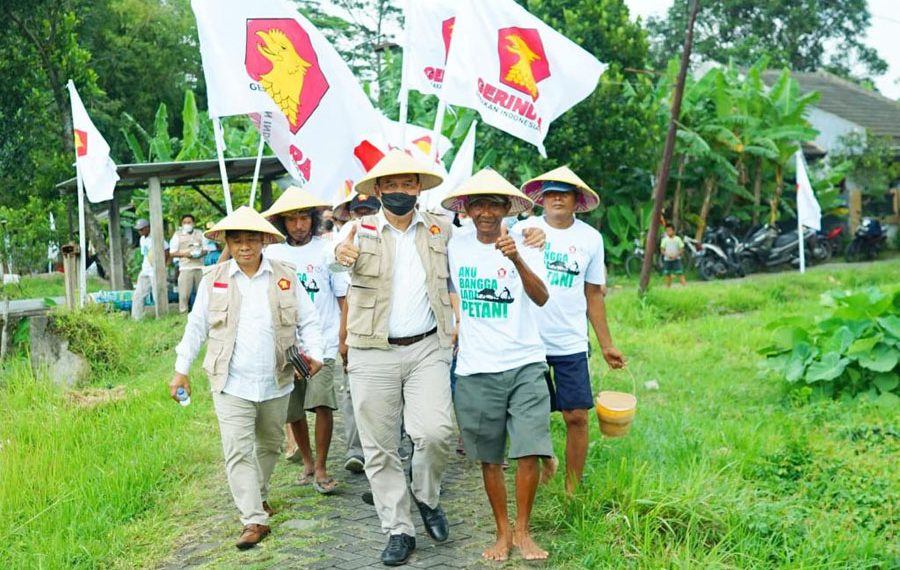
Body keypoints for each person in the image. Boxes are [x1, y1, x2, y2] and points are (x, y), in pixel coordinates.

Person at [170, 206, 324, 550]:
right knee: (237, 450)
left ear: (264, 240)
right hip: (230, 381)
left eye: (251, 239)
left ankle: (260, 495)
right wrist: (181, 370)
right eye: (236, 240)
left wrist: (315, 352)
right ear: (227, 242)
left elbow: (308, 320)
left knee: (268, 445)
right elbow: (196, 327)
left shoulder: (285, 276)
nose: (243, 246)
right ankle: (253, 519)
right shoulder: (214, 279)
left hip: (276, 379)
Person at [331, 150, 454, 566]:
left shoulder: (441, 228)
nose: (401, 191)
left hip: (427, 348)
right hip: (371, 352)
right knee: (379, 447)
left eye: (408, 184)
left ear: (418, 188)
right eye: (392, 184)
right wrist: (342, 255)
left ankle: (426, 497)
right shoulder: (357, 229)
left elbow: (484, 240)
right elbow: (336, 255)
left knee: (436, 432)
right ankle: (398, 530)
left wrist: (534, 236)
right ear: (378, 189)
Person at [442, 169, 552, 562]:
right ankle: (502, 533)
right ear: (467, 210)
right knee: (490, 457)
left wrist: (517, 257)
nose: (486, 212)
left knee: (529, 450)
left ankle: (524, 531)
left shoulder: (527, 239)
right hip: (475, 367)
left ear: (508, 208)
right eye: (478, 204)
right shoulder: (455, 245)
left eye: (494, 204)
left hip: (525, 361)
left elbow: (541, 297)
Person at [519, 166, 627, 495]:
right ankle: (546, 459)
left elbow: (593, 294)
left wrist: (606, 344)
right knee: (532, 416)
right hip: (528, 340)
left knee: (576, 415)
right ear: (541, 198)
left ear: (576, 200)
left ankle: (572, 488)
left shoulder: (590, 239)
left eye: (564, 193)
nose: (557, 199)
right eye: (551, 193)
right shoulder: (522, 230)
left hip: (570, 340)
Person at [263, 187, 349, 495]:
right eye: (291, 220)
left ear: (312, 219)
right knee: (294, 409)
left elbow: (342, 295)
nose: (299, 225)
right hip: (289, 345)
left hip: (322, 343)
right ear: (281, 223)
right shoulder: (272, 254)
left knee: (323, 403)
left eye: (304, 218)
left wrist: (343, 338)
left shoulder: (327, 250)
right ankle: (308, 462)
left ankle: (323, 467)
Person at [332, 190, 382, 472]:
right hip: (354, 327)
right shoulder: (342, 242)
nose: (364, 217)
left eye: (370, 212)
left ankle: (387, 450)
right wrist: (343, 338)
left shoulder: (390, 240)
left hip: (387, 330)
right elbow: (345, 294)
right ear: (351, 215)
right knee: (354, 394)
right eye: (359, 213)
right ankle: (356, 450)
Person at [131, 219, 168, 320]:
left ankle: (161, 316)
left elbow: (166, 250)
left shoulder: (156, 238)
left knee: (157, 295)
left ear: (147, 228)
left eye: (142, 229)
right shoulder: (142, 239)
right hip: (145, 270)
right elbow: (146, 256)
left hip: (155, 271)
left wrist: (163, 265)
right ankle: (136, 318)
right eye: (138, 230)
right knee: (138, 295)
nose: (140, 232)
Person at [169, 214, 207, 313]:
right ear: (182, 224)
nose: (187, 224)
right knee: (184, 294)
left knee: (202, 292)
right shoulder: (177, 235)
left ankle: (202, 312)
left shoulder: (200, 233)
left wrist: (199, 253)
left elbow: (206, 250)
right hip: (185, 268)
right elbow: (172, 252)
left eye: (189, 222)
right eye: (185, 223)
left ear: (193, 223)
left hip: (199, 267)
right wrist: (185, 254)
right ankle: (183, 312)